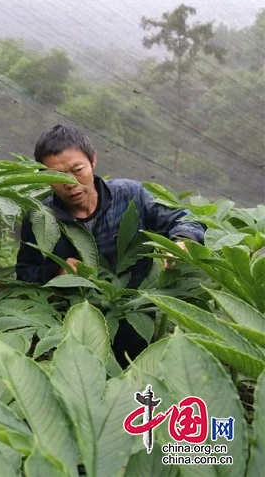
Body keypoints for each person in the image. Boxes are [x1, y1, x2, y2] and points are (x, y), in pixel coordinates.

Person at [15, 124, 205, 365]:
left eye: (77, 170)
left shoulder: (130, 195)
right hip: (73, 326)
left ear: (93, 160)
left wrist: (183, 241)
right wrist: (56, 272)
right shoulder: (40, 217)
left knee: (135, 380)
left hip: (133, 315)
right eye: (57, 176)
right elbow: (24, 273)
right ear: (44, 175)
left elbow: (186, 218)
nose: (70, 183)